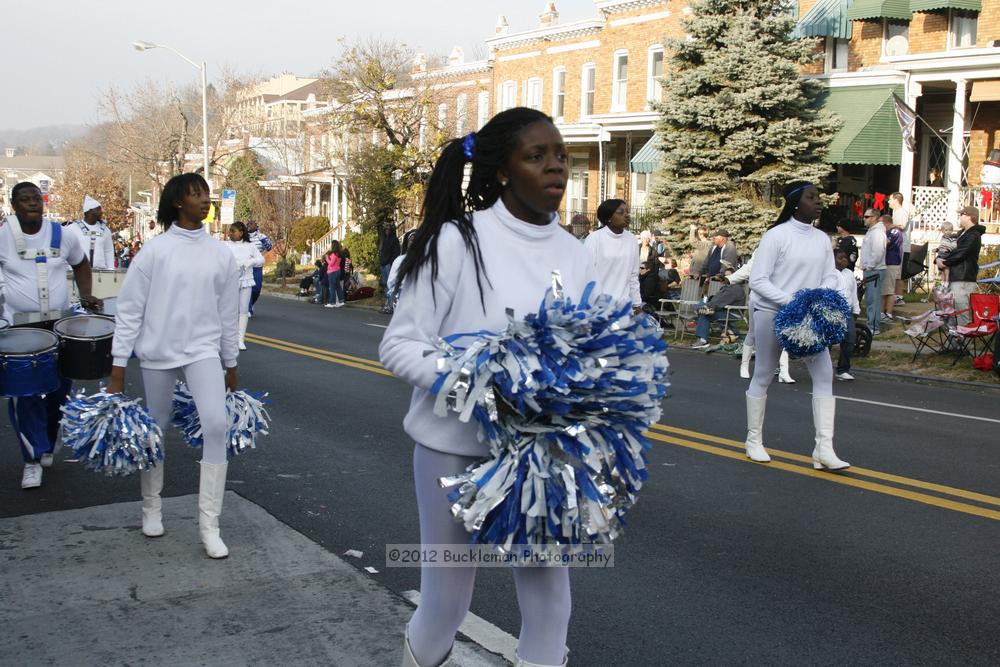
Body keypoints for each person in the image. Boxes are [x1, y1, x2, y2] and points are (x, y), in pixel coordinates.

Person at [380, 107, 596, 667]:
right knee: (447, 601)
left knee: (552, 604)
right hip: (454, 449)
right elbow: (400, 345)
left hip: (541, 454)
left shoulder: (579, 255)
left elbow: (594, 350)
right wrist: (482, 384)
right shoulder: (456, 242)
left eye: (561, 157)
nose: (556, 168)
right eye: (537, 156)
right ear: (502, 170)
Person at [107, 173, 239, 559]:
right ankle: (152, 507)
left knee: (216, 423)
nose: (205, 200)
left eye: (207, 194)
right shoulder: (155, 251)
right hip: (158, 352)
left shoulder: (221, 254)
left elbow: (228, 314)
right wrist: (118, 366)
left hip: (202, 352)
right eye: (196, 194)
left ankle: (209, 526)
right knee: (155, 428)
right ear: (178, 201)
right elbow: (129, 309)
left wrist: (229, 361)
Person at [0, 182, 99, 489]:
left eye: (36, 198)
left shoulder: (62, 234)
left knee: (57, 391)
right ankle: (31, 459)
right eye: (24, 199)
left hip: (59, 325)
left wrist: (86, 294)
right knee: (25, 393)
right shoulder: (3, 236)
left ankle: (47, 440)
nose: (32, 203)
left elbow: (81, 263)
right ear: (14, 205)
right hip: (19, 328)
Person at [745, 181, 849, 470]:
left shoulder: (821, 239)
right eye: (811, 197)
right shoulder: (776, 236)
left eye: (819, 197)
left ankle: (823, 449)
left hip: (810, 318)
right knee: (764, 373)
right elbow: (758, 280)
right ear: (795, 202)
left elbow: (831, 275)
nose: (819, 202)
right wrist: (793, 301)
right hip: (771, 314)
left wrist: (818, 297)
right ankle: (753, 440)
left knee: (824, 375)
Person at [728, 250, 795, 383]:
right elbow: (749, 268)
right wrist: (730, 278)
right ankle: (744, 366)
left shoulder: (791, 249)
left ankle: (784, 370)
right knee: (753, 332)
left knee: (783, 332)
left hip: (780, 297)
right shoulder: (763, 249)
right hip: (759, 297)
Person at [584, 199, 641, 308]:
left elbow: (633, 276)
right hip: (598, 307)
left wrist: (637, 304)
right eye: (620, 212)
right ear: (608, 217)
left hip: (624, 307)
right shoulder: (594, 239)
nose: (626, 215)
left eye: (627, 212)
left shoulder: (632, 239)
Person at [938, 206, 986, 325]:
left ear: (970, 217)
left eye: (962, 214)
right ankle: (957, 339)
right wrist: (938, 258)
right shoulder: (962, 233)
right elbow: (949, 248)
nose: (959, 216)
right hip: (956, 277)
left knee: (962, 313)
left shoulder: (973, 235)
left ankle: (966, 341)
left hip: (963, 278)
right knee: (953, 313)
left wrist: (944, 262)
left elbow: (961, 253)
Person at [224, 221, 265, 350]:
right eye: (229, 231)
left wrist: (251, 261)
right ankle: (229, 338)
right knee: (230, 310)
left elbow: (261, 260)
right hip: (230, 281)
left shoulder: (250, 246)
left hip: (246, 280)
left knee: (243, 309)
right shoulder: (225, 245)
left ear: (241, 233)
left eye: (233, 231)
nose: (230, 233)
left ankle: (240, 339)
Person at [691, 270, 746, 348]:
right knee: (703, 304)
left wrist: (707, 306)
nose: (725, 278)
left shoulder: (733, 289)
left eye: (728, 276)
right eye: (725, 276)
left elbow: (718, 302)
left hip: (732, 313)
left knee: (705, 315)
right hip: (724, 309)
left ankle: (703, 341)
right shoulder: (729, 287)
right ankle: (700, 309)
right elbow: (716, 300)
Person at [834, 249, 861, 381]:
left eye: (845, 258)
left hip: (847, 311)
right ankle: (823, 368)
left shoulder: (849, 273)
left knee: (850, 339)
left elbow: (853, 293)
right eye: (840, 258)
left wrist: (856, 310)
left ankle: (843, 369)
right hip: (832, 312)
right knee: (828, 342)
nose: (844, 260)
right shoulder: (828, 274)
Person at [859, 208, 887, 336]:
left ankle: (874, 327)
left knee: (873, 299)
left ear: (874, 217)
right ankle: (871, 324)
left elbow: (878, 252)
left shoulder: (878, 232)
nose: (864, 218)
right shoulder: (872, 231)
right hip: (870, 270)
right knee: (870, 299)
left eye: (866, 216)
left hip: (875, 270)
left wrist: (869, 266)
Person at [71, 196, 115, 269]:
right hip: (79, 271)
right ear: (90, 211)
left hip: (101, 273)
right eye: (98, 209)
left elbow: (108, 251)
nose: (101, 212)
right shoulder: (72, 229)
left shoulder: (105, 230)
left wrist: (111, 269)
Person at [889, 193, 911, 306]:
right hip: (897, 247)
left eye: (890, 199)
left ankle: (899, 297)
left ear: (896, 200)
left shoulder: (901, 212)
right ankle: (895, 295)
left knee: (900, 273)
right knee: (896, 273)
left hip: (903, 247)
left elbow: (902, 226)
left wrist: (888, 225)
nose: (889, 202)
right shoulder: (896, 212)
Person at [245, 220, 272, 316]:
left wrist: (261, 254)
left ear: (256, 226)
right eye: (248, 224)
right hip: (247, 267)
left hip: (257, 266)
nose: (249, 225)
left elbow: (269, 247)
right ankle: (248, 309)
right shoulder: (244, 237)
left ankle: (251, 304)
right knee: (248, 288)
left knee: (257, 289)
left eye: (252, 224)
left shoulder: (261, 236)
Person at [881, 214, 903, 321]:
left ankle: (887, 313)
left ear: (886, 223)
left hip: (891, 263)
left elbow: (885, 243)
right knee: (885, 290)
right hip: (887, 263)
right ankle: (883, 312)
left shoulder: (895, 232)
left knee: (889, 290)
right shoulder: (889, 232)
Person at [379, 220, 401, 295]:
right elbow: (382, 252)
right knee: (385, 283)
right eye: (386, 230)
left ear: (391, 230)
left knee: (390, 282)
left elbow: (396, 253)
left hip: (389, 264)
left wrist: (391, 263)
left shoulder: (395, 240)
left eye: (388, 229)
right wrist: (381, 261)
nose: (387, 231)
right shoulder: (384, 240)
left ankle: (391, 298)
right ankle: (387, 299)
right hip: (383, 264)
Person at [934, 221, 958, 286]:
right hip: (941, 253)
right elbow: (941, 245)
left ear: (952, 230)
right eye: (946, 230)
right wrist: (937, 249)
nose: (948, 232)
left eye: (950, 230)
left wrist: (949, 249)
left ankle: (947, 281)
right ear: (942, 231)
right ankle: (942, 282)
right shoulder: (943, 238)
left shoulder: (952, 238)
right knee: (941, 270)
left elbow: (954, 245)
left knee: (946, 268)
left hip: (947, 254)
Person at [324, 241, 344, 308]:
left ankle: (332, 302)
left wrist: (327, 258)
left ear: (333, 246)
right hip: (338, 271)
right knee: (338, 287)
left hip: (332, 272)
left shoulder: (334, 254)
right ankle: (341, 301)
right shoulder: (339, 254)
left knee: (332, 287)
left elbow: (331, 263)